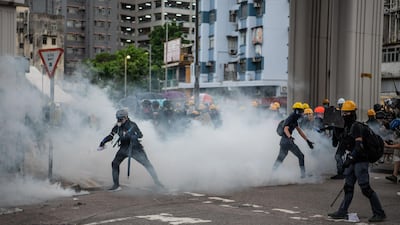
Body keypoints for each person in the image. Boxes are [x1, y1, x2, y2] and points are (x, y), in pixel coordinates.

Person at [328, 100, 386, 222]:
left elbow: (359, 146)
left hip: (361, 161)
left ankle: (379, 213)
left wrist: (350, 159)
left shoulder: (356, 127)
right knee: (348, 187)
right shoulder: (347, 127)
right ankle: (342, 211)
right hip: (354, 162)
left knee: (365, 188)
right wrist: (343, 160)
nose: (344, 115)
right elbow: (344, 143)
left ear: (352, 113)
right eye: (343, 113)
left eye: (347, 113)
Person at [98, 109, 163, 191]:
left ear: (126, 117)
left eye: (120, 119)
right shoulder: (117, 127)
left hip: (135, 148)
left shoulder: (132, 125)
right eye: (118, 119)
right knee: (114, 163)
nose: (119, 120)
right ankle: (116, 185)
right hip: (124, 148)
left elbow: (140, 135)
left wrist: (133, 136)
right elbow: (111, 136)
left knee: (147, 164)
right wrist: (103, 142)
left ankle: (157, 182)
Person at [272, 102, 314, 178]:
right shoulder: (291, 118)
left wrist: (307, 140)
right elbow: (285, 128)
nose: (302, 113)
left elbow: (300, 131)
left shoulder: (294, 119)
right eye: (301, 111)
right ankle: (303, 175)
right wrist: (290, 137)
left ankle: (272, 173)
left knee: (280, 159)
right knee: (301, 156)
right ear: (297, 111)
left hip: (283, 142)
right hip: (288, 142)